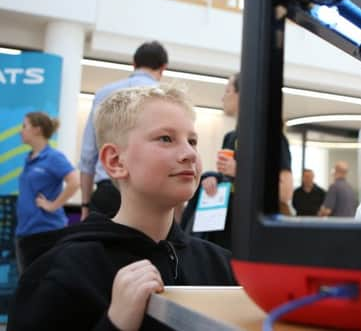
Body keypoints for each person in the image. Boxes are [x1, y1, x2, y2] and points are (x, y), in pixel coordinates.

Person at [9, 85, 235, 331]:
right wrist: (115, 323)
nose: (190, 153)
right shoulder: (62, 273)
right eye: (166, 139)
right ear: (115, 162)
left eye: (192, 141)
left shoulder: (222, 268)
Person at [180, 72, 294, 251]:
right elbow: (231, 183)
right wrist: (214, 180)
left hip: (253, 234)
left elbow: (285, 192)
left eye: (227, 91)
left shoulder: (271, 137)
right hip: (224, 231)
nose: (223, 97)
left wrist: (240, 171)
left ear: (243, 94)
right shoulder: (230, 138)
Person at [79, 41, 168, 220]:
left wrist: (86, 204)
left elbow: (88, 154)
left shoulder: (104, 93)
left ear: (133, 64)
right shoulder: (165, 96)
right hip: (148, 193)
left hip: (107, 191)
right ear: (163, 68)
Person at [15, 112, 80, 272]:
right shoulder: (29, 158)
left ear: (37, 129)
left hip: (45, 232)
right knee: (27, 284)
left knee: (40, 285)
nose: (20, 131)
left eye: (25, 126)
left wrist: (53, 205)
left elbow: (74, 182)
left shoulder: (53, 157)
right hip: (25, 232)